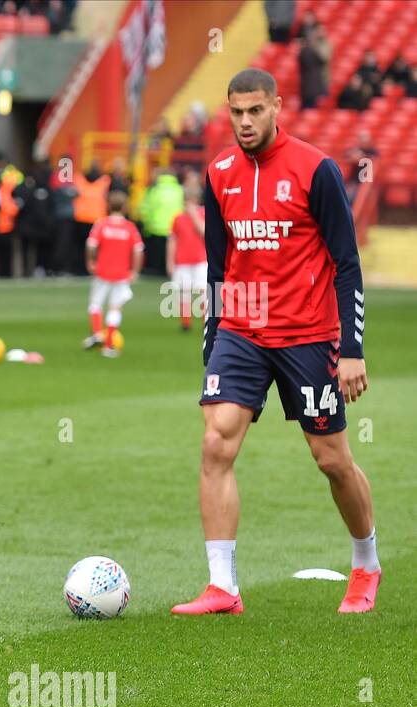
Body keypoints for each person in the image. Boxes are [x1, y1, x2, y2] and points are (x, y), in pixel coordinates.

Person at [174, 68, 377, 616]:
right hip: (241, 328)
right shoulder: (219, 173)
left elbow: (347, 263)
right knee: (216, 442)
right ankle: (223, 586)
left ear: (276, 106)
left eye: (255, 111)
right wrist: (214, 336)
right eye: (236, 112)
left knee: (331, 458)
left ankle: (366, 564)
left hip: (309, 334)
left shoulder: (317, 170)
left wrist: (352, 349)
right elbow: (219, 266)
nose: (244, 122)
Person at [82, 190, 143, 358]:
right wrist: (135, 270)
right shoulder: (130, 227)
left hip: (103, 271)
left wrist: (91, 262)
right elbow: (138, 250)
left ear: (108, 205)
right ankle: (109, 345)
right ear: (125, 207)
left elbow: (91, 245)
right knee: (115, 308)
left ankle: (96, 333)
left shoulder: (101, 224)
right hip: (121, 274)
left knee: (95, 304)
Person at [167, 176, 206, 333]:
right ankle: (185, 324)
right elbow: (172, 240)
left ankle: (206, 321)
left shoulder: (203, 214)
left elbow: (205, 233)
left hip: (200, 259)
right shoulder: (178, 217)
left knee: (204, 290)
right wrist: (170, 261)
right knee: (184, 292)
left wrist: (194, 215)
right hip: (182, 260)